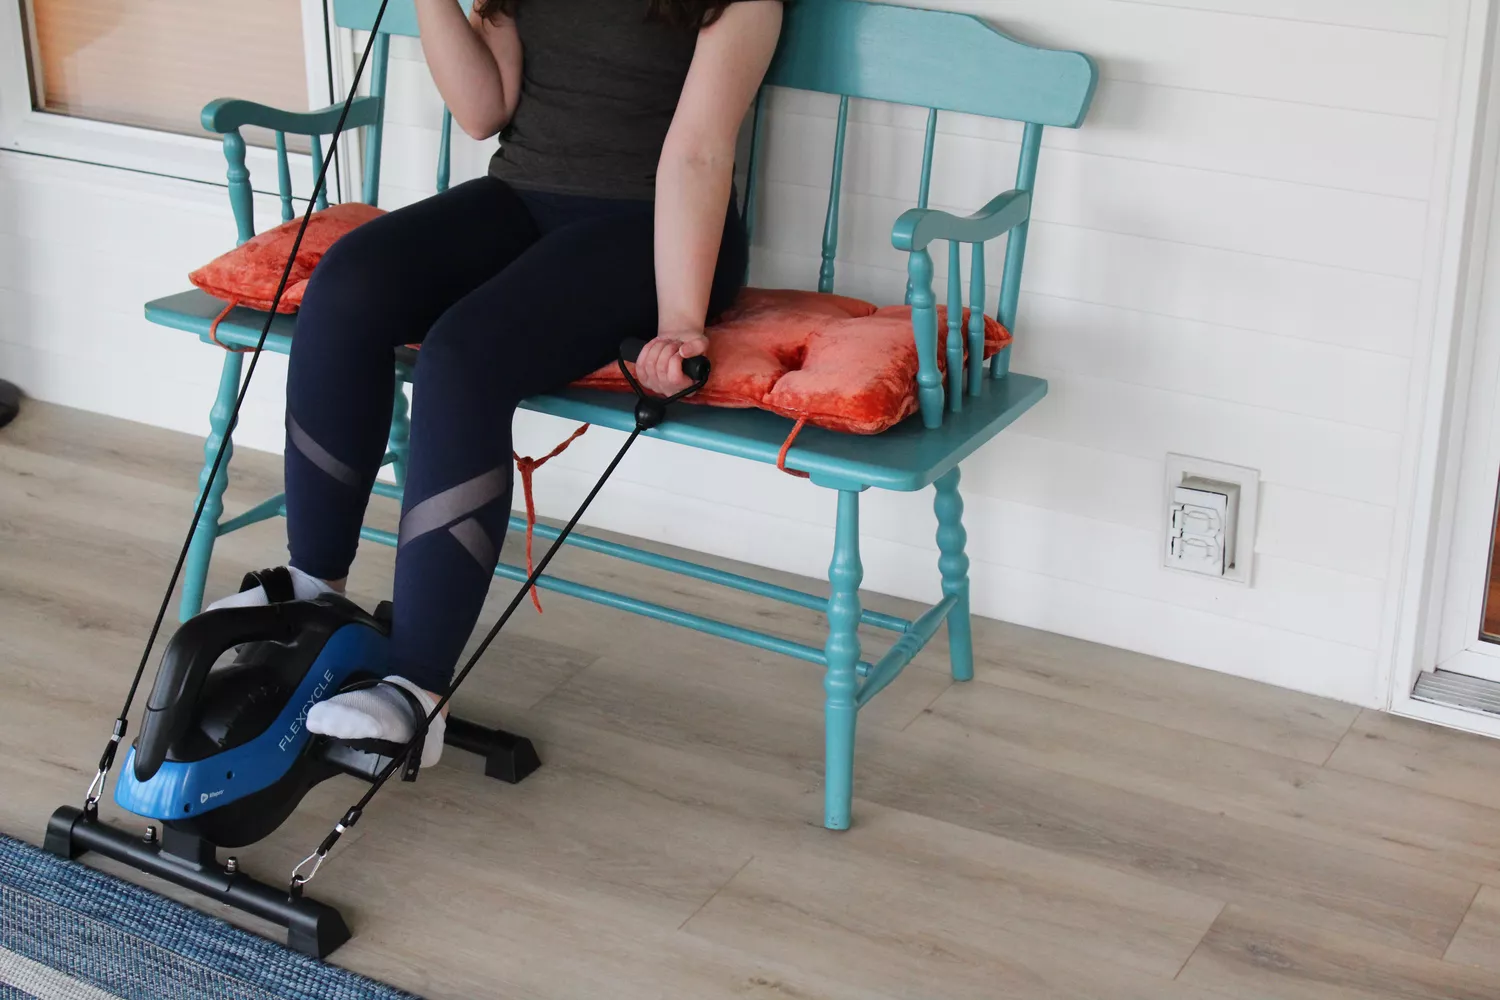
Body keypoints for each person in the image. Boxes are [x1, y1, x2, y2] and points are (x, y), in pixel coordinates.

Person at [207, 0, 785, 767]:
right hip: (519, 200)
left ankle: (415, 687)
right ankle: (313, 591)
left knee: (462, 358)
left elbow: (699, 154)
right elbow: (484, 111)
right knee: (345, 286)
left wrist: (680, 319)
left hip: (652, 227)